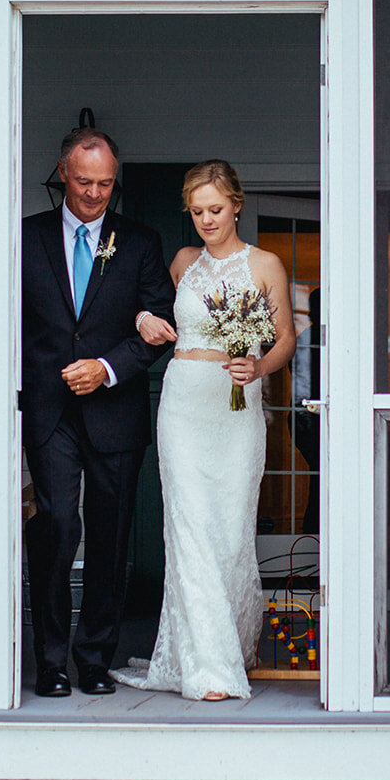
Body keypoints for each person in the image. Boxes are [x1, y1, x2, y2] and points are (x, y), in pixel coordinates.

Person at [113, 159, 295, 701]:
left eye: (215, 209)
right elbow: (142, 310)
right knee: (189, 529)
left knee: (229, 531)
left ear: (236, 204)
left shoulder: (265, 264)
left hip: (236, 407)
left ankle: (233, 644)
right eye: (196, 212)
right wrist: (144, 320)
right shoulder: (183, 262)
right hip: (184, 402)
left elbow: (283, 337)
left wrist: (257, 367)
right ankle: (208, 667)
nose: (206, 220)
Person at [20, 126, 176, 698]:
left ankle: (93, 659)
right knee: (58, 526)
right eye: (84, 182)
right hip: (49, 411)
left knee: (110, 541)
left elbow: (159, 324)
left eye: (105, 184)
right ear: (63, 173)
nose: (93, 194)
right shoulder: (25, 238)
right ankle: (52, 660)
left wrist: (107, 368)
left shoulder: (139, 242)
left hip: (115, 411)